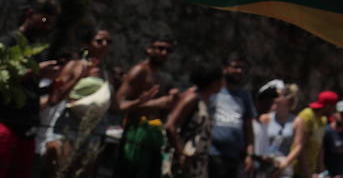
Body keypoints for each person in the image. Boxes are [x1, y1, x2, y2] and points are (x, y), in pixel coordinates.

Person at [0, 0, 62, 178]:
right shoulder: (8, 42)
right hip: (5, 123)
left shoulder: (37, 48)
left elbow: (31, 90)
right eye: (43, 20)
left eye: (50, 23)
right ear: (29, 14)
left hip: (27, 129)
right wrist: (34, 72)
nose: (46, 27)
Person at [43, 28, 114, 178]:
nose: (104, 44)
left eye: (108, 41)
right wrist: (80, 76)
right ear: (88, 44)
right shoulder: (74, 65)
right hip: (67, 128)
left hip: (91, 131)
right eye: (99, 41)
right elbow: (54, 98)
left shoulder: (106, 73)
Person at [112, 38, 179, 178]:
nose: (164, 53)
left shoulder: (163, 77)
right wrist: (151, 103)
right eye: (160, 48)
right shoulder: (139, 71)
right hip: (136, 134)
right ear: (149, 49)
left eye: (168, 50)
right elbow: (118, 105)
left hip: (153, 135)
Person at [165, 68, 222, 178]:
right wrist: (181, 153)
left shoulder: (207, 101)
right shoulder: (192, 98)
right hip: (185, 159)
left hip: (197, 161)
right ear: (215, 82)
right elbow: (170, 126)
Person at [205, 56, 255, 178]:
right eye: (235, 67)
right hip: (211, 154)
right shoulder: (213, 92)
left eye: (242, 68)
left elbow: (248, 127)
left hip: (234, 156)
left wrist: (249, 155)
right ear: (225, 69)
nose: (239, 71)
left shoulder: (244, 97)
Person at [281, 92, 334, 178]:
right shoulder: (307, 116)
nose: (334, 111)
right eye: (333, 107)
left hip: (310, 171)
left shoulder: (323, 120)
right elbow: (301, 148)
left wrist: (323, 172)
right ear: (328, 106)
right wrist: (307, 174)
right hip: (298, 171)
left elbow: (319, 149)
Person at [253, 85, 296, 178]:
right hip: (266, 165)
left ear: (288, 100)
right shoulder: (265, 118)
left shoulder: (296, 121)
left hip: (284, 167)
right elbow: (259, 145)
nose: (275, 100)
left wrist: (284, 163)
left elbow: (298, 146)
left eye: (278, 97)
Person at [318, 103, 343, 178]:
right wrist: (324, 173)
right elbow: (320, 155)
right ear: (335, 114)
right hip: (328, 174)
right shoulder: (327, 131)